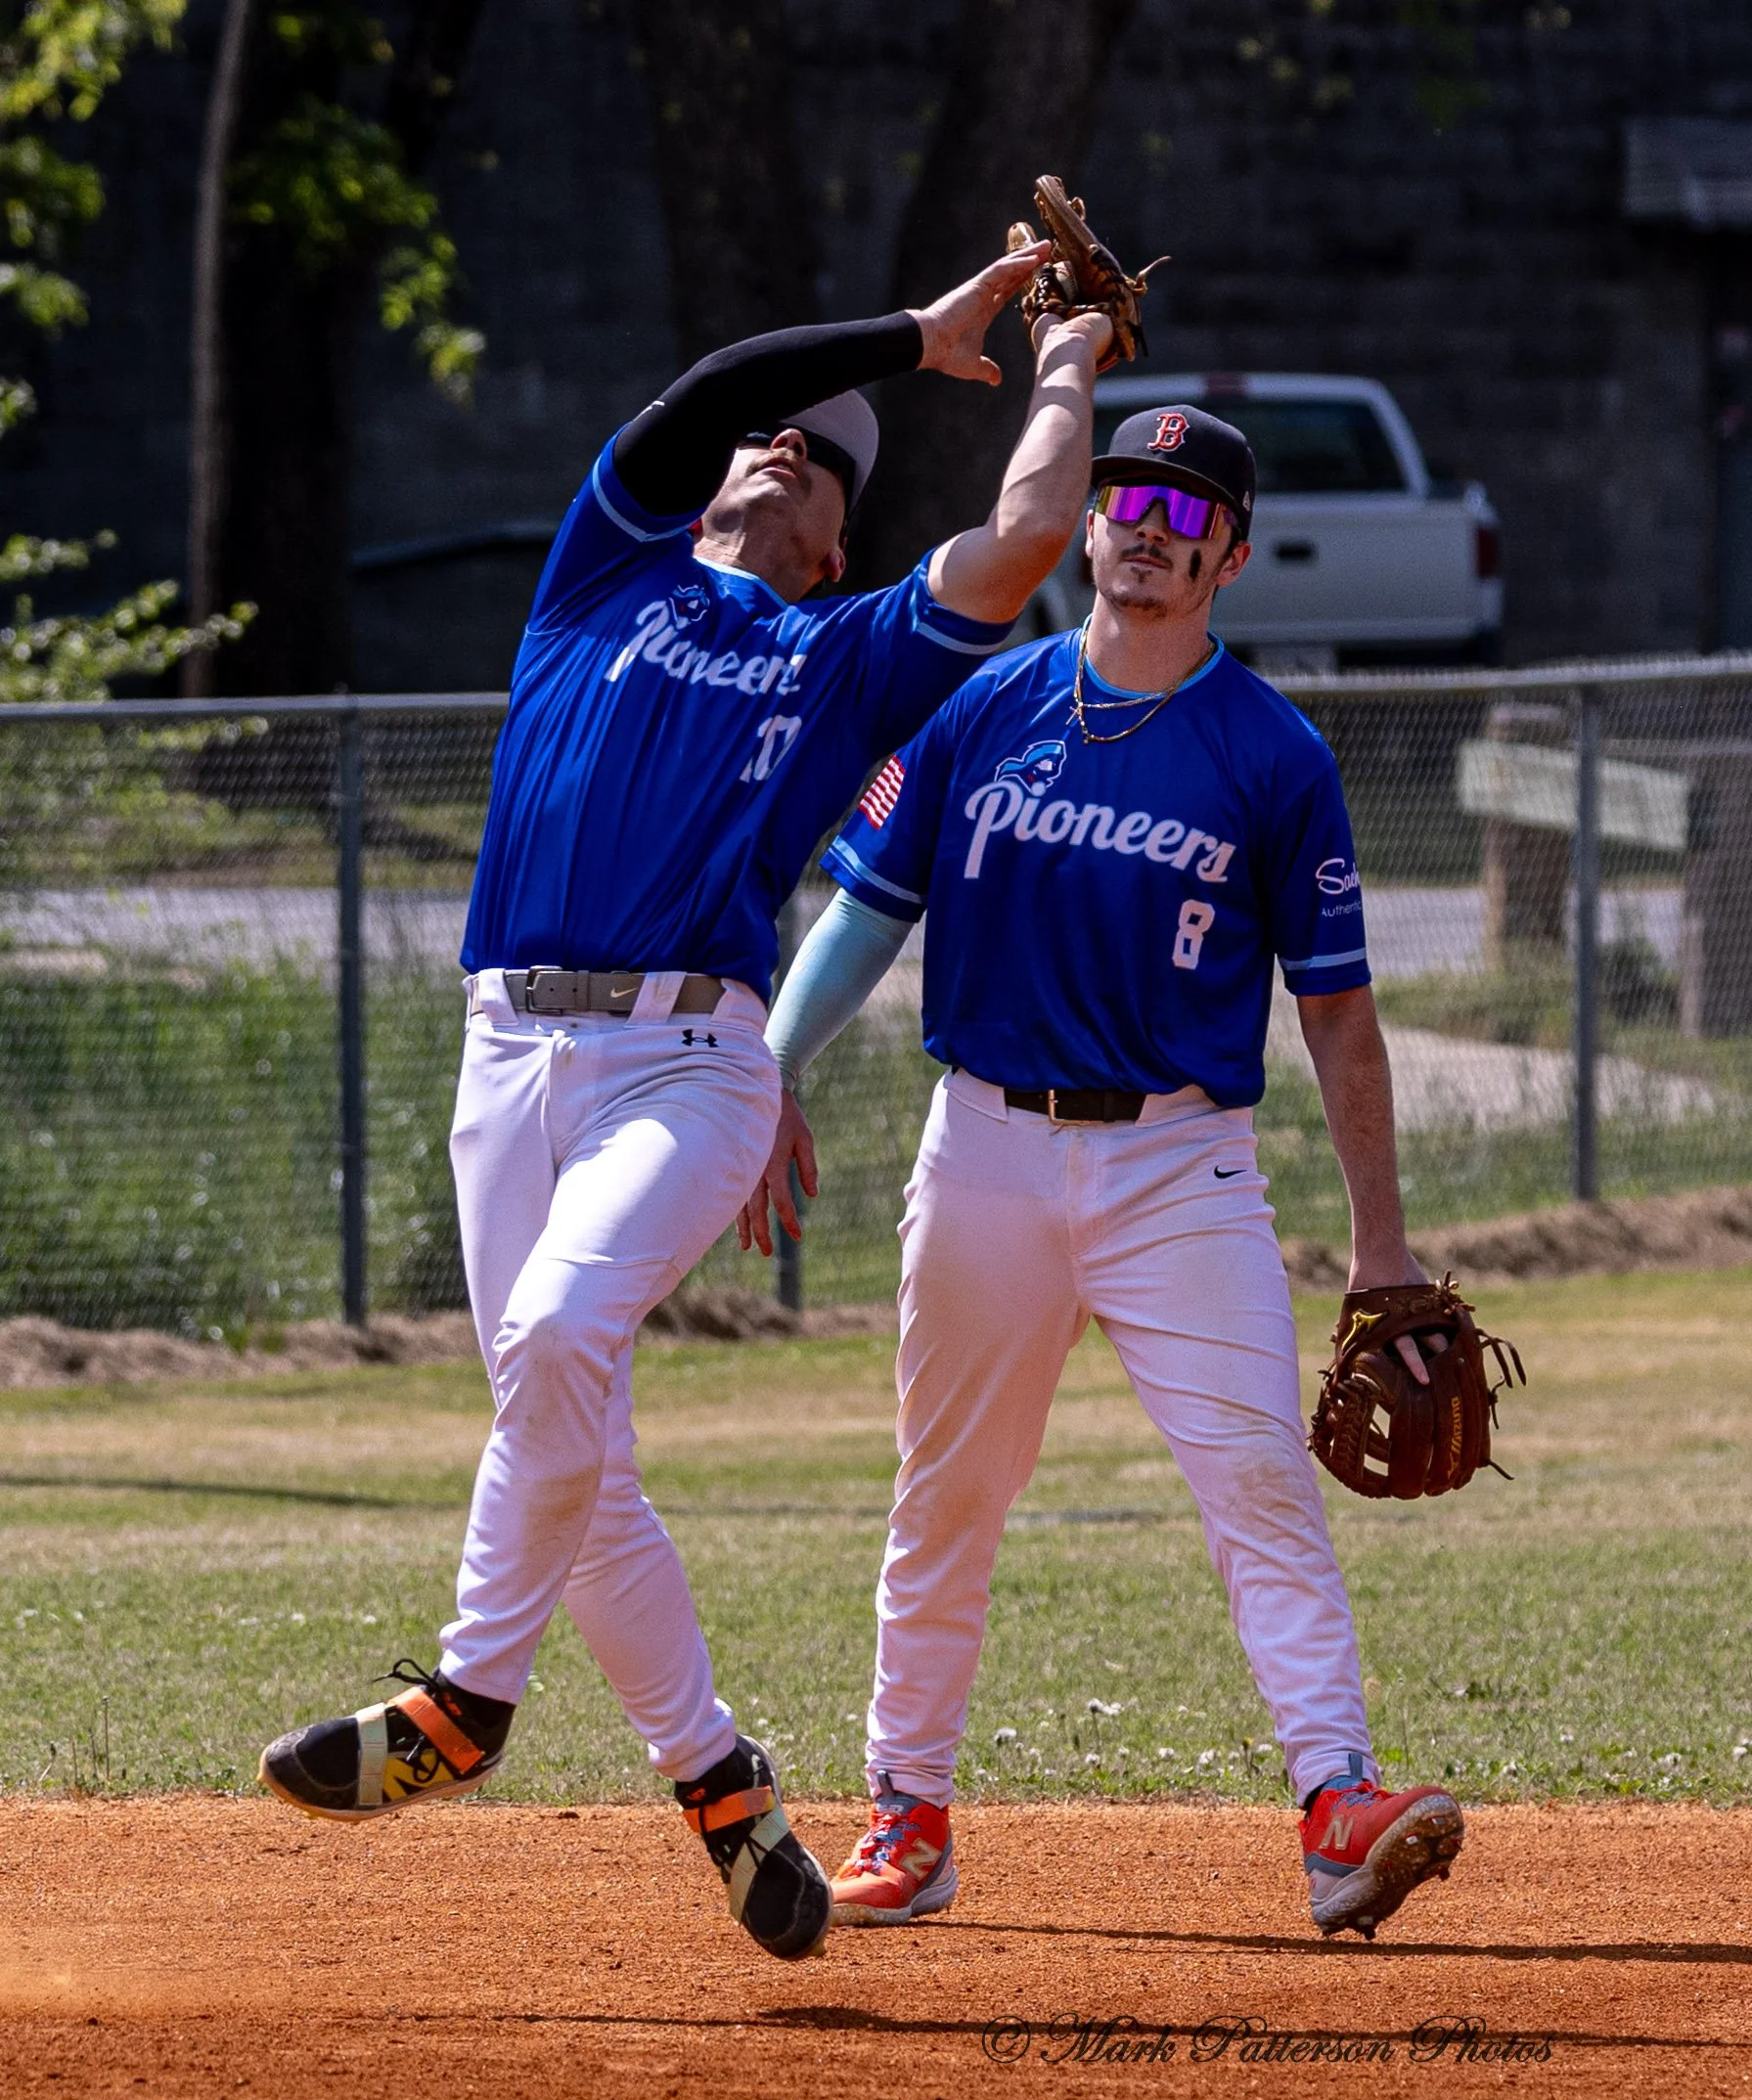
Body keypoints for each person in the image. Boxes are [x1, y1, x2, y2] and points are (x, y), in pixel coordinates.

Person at [258, 248, 1115, 1964]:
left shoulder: (849, 654)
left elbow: (1025, 544)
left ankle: (460, 1711)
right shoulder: (599, 571)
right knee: (574, 1447)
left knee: (565, 1333)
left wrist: (1064, 370)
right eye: (767, 438)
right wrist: (904, 340)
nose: (785, 449)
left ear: (842, 540)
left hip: (691, 1060)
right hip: (505, 1055)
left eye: (828, 456)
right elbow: (704, 391)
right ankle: (721, 1785)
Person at [741, 402, 1466, 1943]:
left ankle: (1339, 1802)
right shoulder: (983, 707)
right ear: (1083, 525)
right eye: (1127, 496)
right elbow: (864, 916)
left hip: (1180, 1166)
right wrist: (766, 1074)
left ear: (1231, 559)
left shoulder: (1271, 753)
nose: (1148, 523)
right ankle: (906, 1815)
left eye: (1186, 511)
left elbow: (1336, 1017)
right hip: (987, 1149)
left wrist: (1381, 1245)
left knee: (1259, 1481)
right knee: (947, 1496)